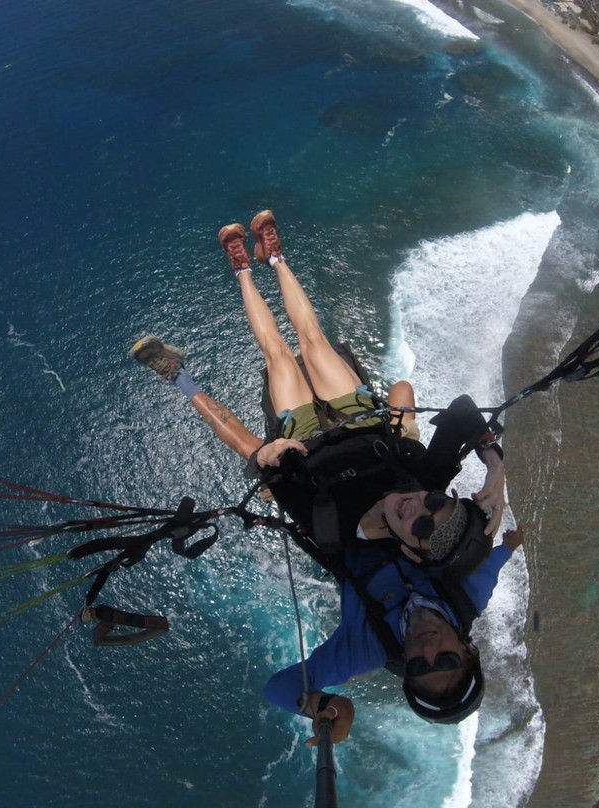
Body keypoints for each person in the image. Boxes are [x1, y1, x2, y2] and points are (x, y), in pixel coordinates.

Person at [131, 210, 520, 743]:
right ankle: (275, 256)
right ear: (466, 647)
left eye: (420, 667)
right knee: (312, 341)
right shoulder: (466, 593)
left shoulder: (366, 646)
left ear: (404, 668)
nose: (429, 651)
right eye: (446, 659)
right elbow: (501, 549)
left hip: (319, 480)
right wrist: (497, 471)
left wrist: (323, 706)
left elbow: (278, 686)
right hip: (369, 440)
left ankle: (191, 355)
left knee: (270, 391)